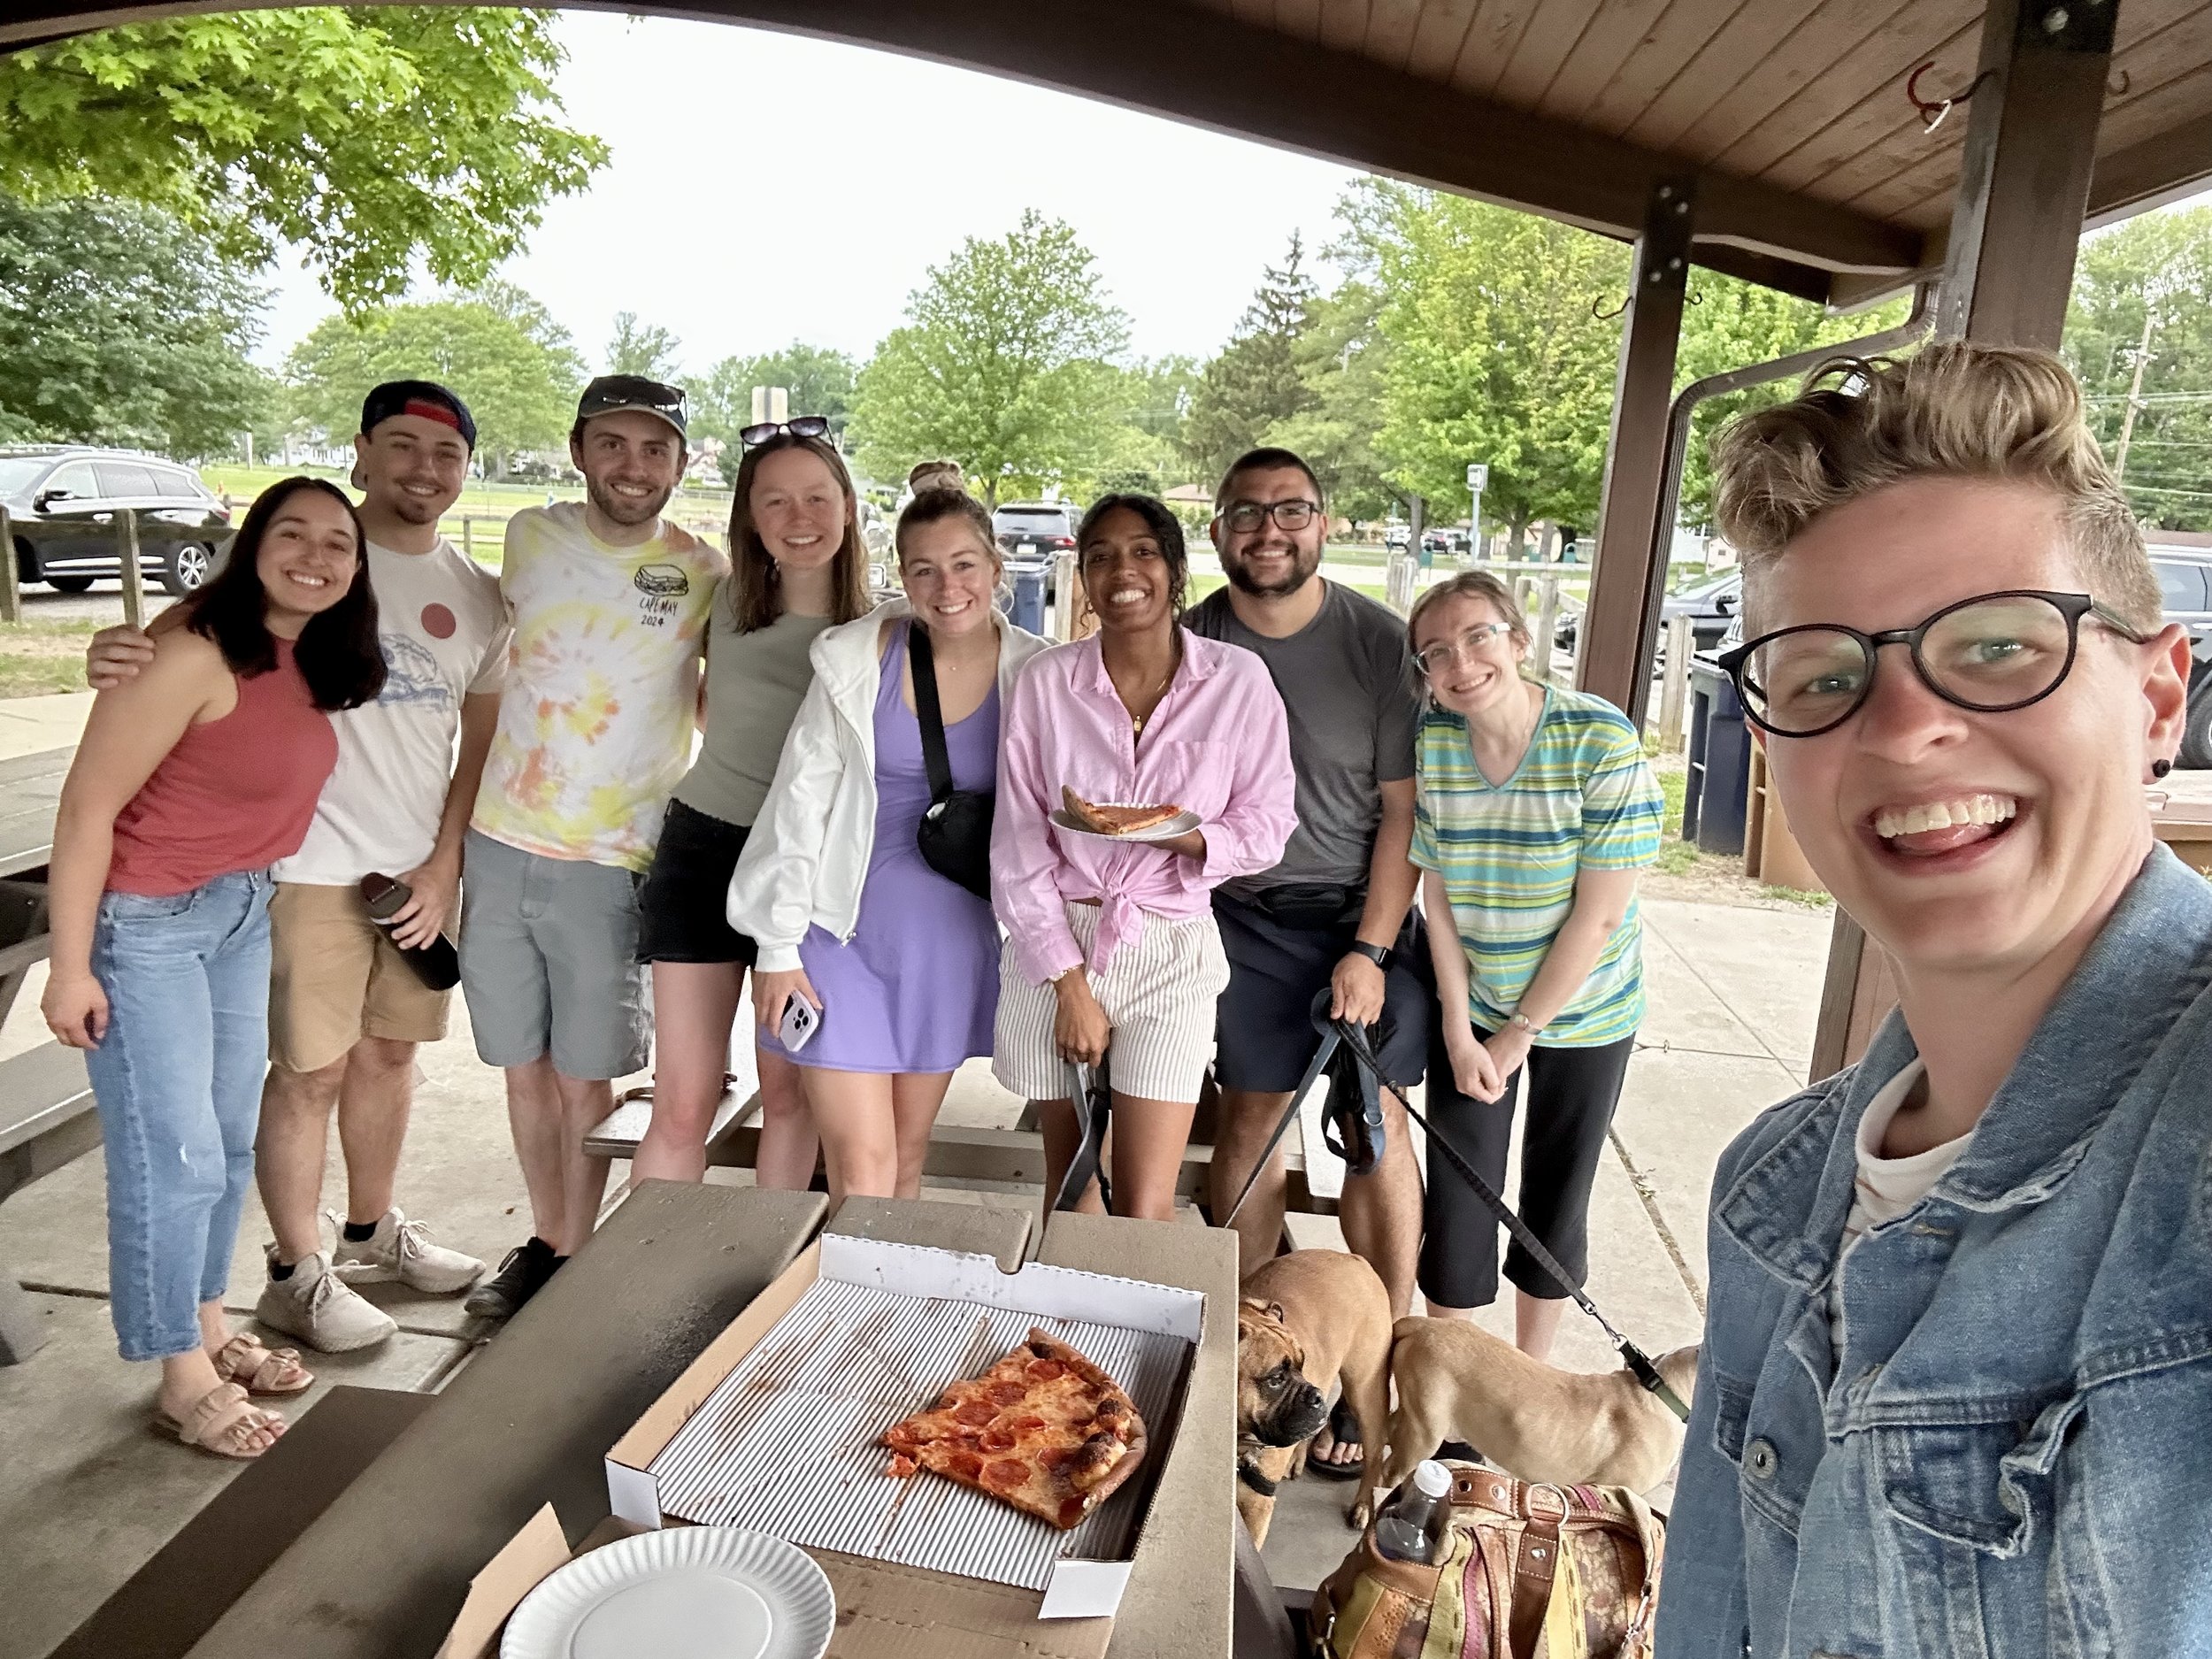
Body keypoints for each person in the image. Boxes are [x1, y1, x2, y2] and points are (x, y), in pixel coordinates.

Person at [1658, 346, 2210, 1655]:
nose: (1904, 728)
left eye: (2000, 646)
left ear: (2157, 699)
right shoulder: (1772, 1195)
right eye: (1825, 675)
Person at [86, 380, 503, 1354]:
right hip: (299, 868)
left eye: (444, 455)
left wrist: (445, 866)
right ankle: (293, 1269)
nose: (423, 471)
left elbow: (473, 746)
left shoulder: (477, 595)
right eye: (401, 447)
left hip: (412, 874)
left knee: (391, 1056)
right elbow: (177, 645)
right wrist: (113, 649)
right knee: (305, 1074)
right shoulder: (298, 555)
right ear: (363, 451)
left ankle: (370, 1232)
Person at [41, 478, 384, 1458]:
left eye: (338, 543)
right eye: (293, 534)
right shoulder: (191, 646)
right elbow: (84, 810)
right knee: (174, 1154)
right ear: (250, 543)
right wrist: (72, 968)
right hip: (147, 925)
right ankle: (177, 1375)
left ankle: (205, 1326)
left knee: (228, 1143)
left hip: (238, 911)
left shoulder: (303, 653)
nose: (316, 556)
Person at [1185, 447, 1429, 1479]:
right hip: (1239, 913)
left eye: (1291, 511)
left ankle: (1376, 1362)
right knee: (1251, 1114)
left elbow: (1401, 816)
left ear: (1324, 523)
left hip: (1358, 908)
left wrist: (1370, 949)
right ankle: (1250, 1357)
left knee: (1374, 1127)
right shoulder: (1194, 634)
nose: (1268, 531)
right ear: (1219, 531)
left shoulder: (1377, 644)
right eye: (1247, 513)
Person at [461, 376, 727, 1318]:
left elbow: (722, 698)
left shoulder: (702, 571)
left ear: (680, 465)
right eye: (612, 444)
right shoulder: (529, 536)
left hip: (614, 857)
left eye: (655, 449)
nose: (632, 466)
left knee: (587, 1077)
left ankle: (574, 1261)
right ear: (578, 450)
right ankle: (548, 1239)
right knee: (521, 1069)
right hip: (498, 843)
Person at [732, 488, 1052, 1201]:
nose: (948, 588)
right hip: (836, 937)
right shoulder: (857, 661)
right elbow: (798, 805)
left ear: (996, 567)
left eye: (965, 564)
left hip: (947, 945)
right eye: (924, 570)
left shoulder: (1036, 672)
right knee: (863, 1167)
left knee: (906, 1161)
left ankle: (881, 1314)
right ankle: (839, 1313)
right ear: (902, 577)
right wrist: (776, 948)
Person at [992, 493, 1296, 1222]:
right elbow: (1018, 841)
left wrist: (1180, 833)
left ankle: (1137, 1338)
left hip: (1172, 943)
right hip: (1059, 936)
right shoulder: (1046, 682)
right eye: (1099, 556)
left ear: (1175, 570)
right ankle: (1067, 1338)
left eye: (1143, 551)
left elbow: (1269, 821)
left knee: (1146, 1199)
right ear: (1084, 580)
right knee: (1072, 1188)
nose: (1121, 570)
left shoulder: (1238, 681)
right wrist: (1069, 986)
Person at [1407, 571, 1663, 1363]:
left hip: (1590, 1010)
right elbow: (1437, 900)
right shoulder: (1436, 745)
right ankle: (1450, 1383)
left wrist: (1517, 1037)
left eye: (1479, 635)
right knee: (1459, 1191)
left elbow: (1600, 915)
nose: (1461, 661)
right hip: (1475, 1004)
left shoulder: (1599, 740)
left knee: (1557, 1194)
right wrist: (1457, 1028)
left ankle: (1528, 1378)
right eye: (1436, 651)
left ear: (1519, 641)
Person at [629, 426, 872, 1190]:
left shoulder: (882, 626)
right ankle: (642, 1284)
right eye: (776, 500)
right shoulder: (718, 598)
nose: (798, 516)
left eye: (816, 497)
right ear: (750, 516)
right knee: (683, 1101)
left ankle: (767, 1286)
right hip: (703, 849)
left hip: (805, 873)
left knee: (790, 1095)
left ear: (847, 506)